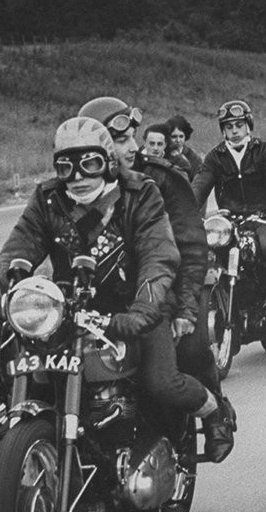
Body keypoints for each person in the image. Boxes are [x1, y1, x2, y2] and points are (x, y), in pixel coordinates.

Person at [0, 117, 235, 459]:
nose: (80, 176)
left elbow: (158, 256)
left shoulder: (141, 194)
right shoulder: (48, 198)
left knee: (161, 383)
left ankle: (213, 409)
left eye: (91, 163)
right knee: (36, 379)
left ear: (108, 163)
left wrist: (143, 310)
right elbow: (17, 251)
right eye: (67, 167)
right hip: (68, 310)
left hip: (135, 309)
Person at [78, 96, 235, 461]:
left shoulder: (160, 178)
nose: (132, 147)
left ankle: (217, 415)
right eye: (121, 140)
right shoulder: (75, 186)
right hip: (105, 301)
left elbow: (191, 246)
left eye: (132, 137)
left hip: (167, 290)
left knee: (190, 351)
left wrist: (184, 309)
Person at [191, 99, 266, 327]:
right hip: (230, 219)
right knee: (211, 252)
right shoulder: (215, 157)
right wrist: (186, 209)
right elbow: (200, 184)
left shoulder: (264, 151)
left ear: (248, 125)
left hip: (261, 216)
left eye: (239, 125)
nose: (234, 131)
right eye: (229, 127)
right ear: (223, 131)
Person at [167, 115, 204, 180]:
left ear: (185, 136)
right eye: (174, 137)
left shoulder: (195, 159)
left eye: (181, 136)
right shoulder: (162, 154)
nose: (178, 140)